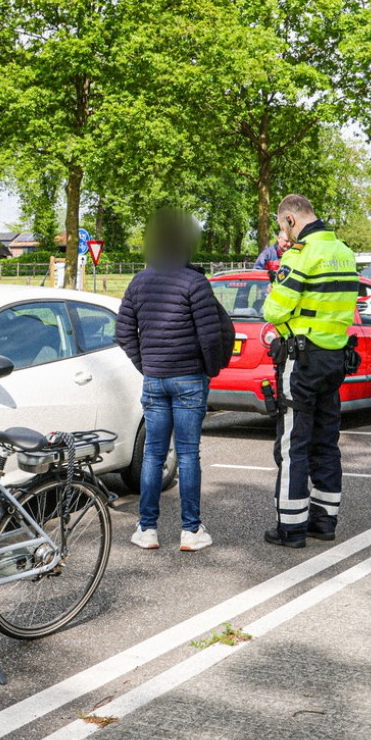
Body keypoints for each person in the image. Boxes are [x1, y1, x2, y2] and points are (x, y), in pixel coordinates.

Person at [116, 208, 226, 552]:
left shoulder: (139, 281)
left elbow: (123, 332)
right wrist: (208, 370)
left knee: (152, 455)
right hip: (189, 378)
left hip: (155, 379)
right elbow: (210, 336)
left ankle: (146, 529)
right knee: (189, 455)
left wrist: (146, 364)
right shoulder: (195, 282)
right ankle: (190, 531)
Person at [261, 195, 359, 548]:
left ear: (289, 219)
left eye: (281, 225)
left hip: (300, 359)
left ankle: (290, 528)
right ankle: (324, 521)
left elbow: (274, 310)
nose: (282, 233)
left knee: (293, 445)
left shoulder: (300, 255)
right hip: (334, 358)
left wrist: (272, 297)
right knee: (326, 441)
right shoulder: (345, 253)